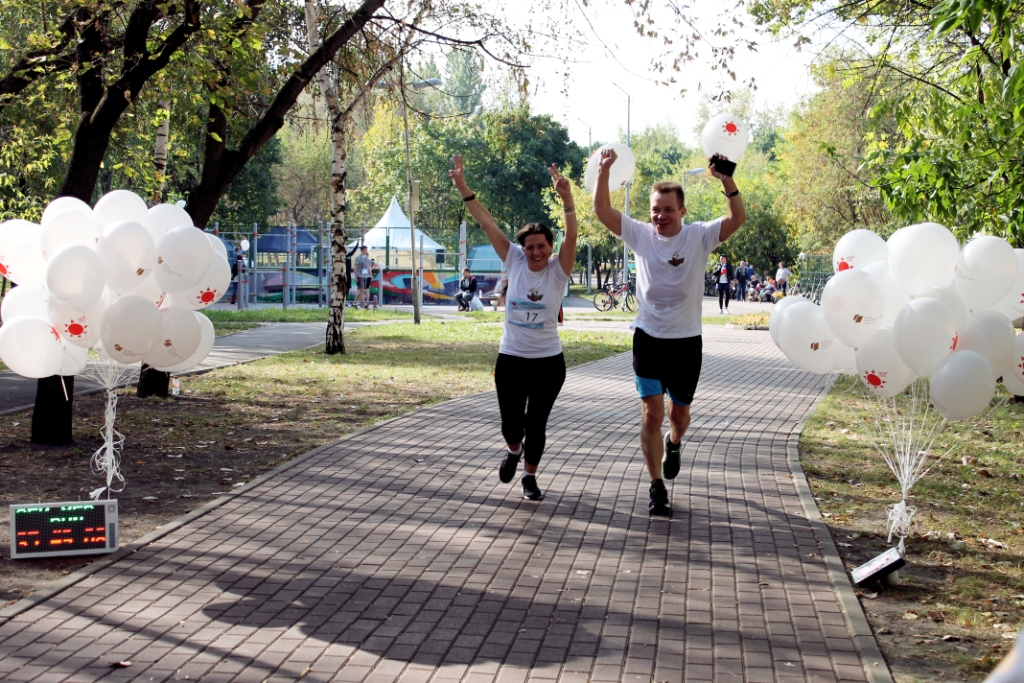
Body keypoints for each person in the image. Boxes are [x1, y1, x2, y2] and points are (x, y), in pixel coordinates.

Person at [593, 150, 746, 516]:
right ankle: (656, 485)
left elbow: (737, 217)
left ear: (682, 211)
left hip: (686, 342)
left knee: (678, 416)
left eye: (667, 210)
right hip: (648, 337)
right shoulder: (640, 234)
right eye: (655, 210)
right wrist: (604, 171)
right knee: (651, 413)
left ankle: (674, 443)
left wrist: (726, 179)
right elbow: (602, 211)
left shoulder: (699, 236)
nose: (660, 216)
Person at [449, 154, 577, 501]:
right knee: (511, 424)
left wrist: (567, 199)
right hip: (511, 360)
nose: (535, 252)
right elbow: (487, 222)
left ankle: (530, 477)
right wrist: (463, 187)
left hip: (548, 363)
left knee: (536, 424)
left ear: (550, 248)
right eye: (530, 246)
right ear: (522, 249)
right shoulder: (515, 260)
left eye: (542, 246)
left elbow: (571, 236)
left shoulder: (558, 270)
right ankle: (513, 449)